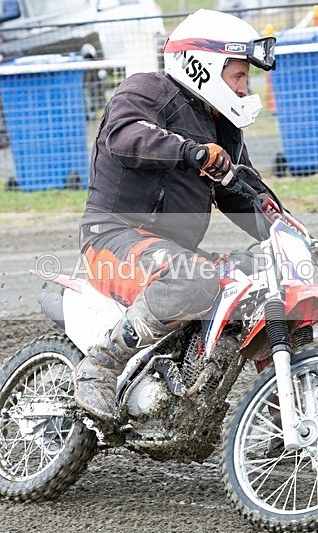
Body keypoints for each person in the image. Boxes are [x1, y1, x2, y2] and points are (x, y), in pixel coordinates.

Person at [74, 9, 280, 420]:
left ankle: (284, 411)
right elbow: (123, 135)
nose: (243, 89)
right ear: (202, 67)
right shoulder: (147, 91)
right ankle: (98, 367)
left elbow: (245, 193)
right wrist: (190, 152)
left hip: (171, 252)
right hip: (112, 238)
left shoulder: (224, 130)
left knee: (271, 276)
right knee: (193, 276)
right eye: (238, 76)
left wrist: (292, 234)